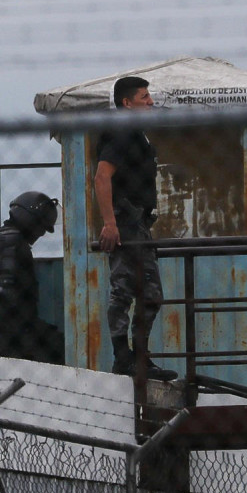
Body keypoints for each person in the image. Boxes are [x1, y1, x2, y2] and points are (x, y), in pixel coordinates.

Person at [94, 76, 178, 380]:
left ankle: (137, 357)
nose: (151, 102)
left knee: (143, 291)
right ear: (127, 103)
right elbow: (102, 177)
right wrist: (111, 223)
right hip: (126, 220)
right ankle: (127, 357)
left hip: (137, 220)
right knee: (132, 289)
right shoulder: (122, 131)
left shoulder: (135, 133)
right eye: (144, 97)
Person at [0, 190, 64, 364]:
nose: (40, 233)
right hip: (10, 335)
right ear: (30, 220)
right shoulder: (14, 241)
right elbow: (6, 291)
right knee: (61, 346)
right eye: (41, 226)